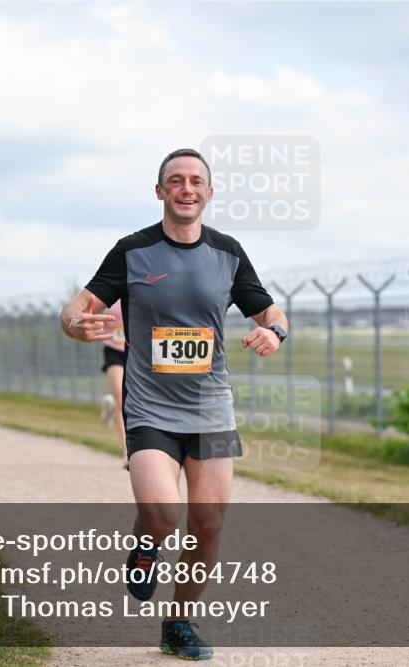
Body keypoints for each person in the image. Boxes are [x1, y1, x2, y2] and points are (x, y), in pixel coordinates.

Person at [60, 148, 288, 661]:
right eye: (176, 181)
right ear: (160, 191)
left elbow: (273, 312)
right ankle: (146, 546)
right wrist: (77, 324)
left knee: (206, 524)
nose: (187, 189)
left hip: (210, 410)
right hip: (150, 410)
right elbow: (77, 309)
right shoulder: (132, 251)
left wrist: (274, 332)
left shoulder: (228, 253)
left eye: (196, 181)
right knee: (163, 514)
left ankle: (178, 624)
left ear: (209, 192)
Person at [99, 299, 128, 465]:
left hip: (137, 349)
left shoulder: (143, 285)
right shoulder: (110, 289)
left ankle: (111, 408)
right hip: (114, 350)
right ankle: (127, 450)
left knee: (133, 397)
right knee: (121, 395)